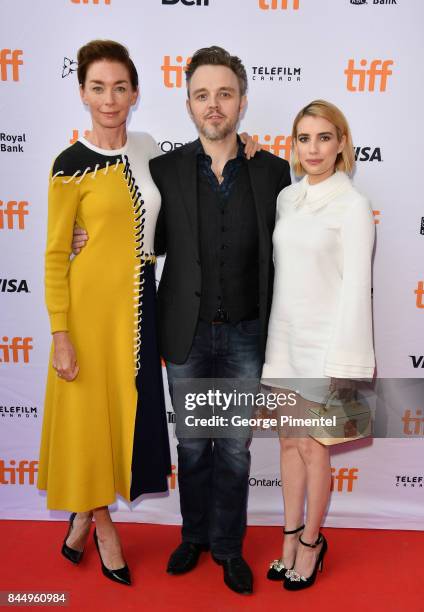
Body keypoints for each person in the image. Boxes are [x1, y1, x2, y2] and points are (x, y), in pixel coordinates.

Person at [70, 45, 267, 594]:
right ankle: (194, 538)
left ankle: (228, 548)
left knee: (234, 446)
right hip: (184, 330)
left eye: (224, 94)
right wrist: (82, 236)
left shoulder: (270, 171)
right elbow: (137, 229)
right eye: (202, 95)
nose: (214, 105)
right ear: (187, 104)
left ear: (241, 103)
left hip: (248, 333)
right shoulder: (165, 165)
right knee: (192, 445)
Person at [37, 40, 172, 586]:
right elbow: (53, 254)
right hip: (89, 312)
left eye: (120, 87)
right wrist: (60, 332)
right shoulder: (69, 164)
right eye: (98, 88)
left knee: (125, 417)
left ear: (135, 93)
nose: (110, 99)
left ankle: (78, 522)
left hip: (138, 306)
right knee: (88, 421)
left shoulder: (148, 148)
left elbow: (165, 225)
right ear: (82, 94)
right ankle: (103, 524)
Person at [261, 100, 375, 590]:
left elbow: (355, 288)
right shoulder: (288, 199)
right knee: (288, 443)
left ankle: (310, 542)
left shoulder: (353, 205)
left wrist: (344, 363)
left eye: (324, 137)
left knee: (313, 447)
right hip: (283, 339)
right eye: (304, 138)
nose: (313, 148)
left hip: (324, 345)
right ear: (294, 145)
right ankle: (288, 536)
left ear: (341, 144)